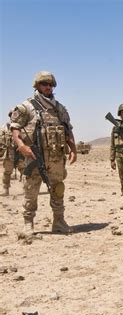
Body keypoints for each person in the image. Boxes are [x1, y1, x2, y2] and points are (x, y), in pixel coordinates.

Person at [10, 71, 77, 235]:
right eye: (44, 84)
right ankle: (28, 223)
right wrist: (21, 146)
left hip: (55, 157)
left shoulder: (59, 108)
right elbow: (15, 128)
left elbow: (67, 129)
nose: (48, 87)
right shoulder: (27, 107)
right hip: (34, 156)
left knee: (58, 189)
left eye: (50, 84)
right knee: (31, 190)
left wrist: (73, 149)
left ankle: (59, 221)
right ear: (37, 85)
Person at [0, 119, 25, 196]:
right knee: (7, 172)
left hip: (21, 153)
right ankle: (5, 189)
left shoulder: (23, 126)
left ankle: (26, 189)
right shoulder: (5, 127)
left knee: (24, 171)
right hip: (9, 153)